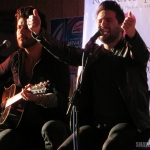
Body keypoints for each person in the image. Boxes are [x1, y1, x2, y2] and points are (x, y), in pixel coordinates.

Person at [27, 1, 150, 150]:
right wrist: (39, 33)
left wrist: (132, 35)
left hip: (130, 126)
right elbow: (66, 52)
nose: (103, 24)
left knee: (110, 146)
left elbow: (142, 55)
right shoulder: (93, 54)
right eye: (100, 21)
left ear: (120, 24)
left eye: (109, 20)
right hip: (97, 127)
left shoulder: (129, 51)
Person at [0, 6, 71, 150]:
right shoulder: (16, 58)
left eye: (26, 27)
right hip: (19, 124)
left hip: (46, 121)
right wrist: (3, 103)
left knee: (51, 128)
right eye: (19, 27)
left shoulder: (56, 59)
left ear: (39, 30)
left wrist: (38, 98)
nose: (20, 31)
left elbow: (62, 101)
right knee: (4, 138)